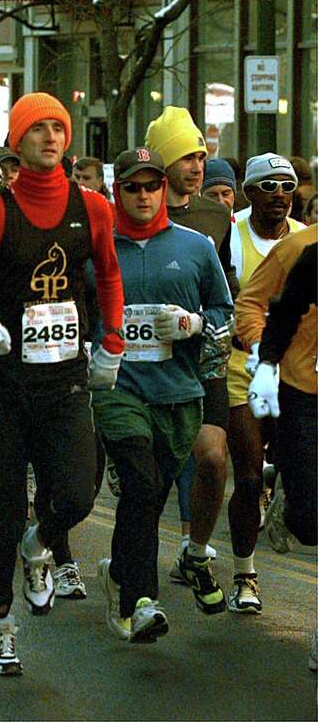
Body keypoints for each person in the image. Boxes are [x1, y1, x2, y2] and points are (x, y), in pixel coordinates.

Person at [0, 92, 125, 675]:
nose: (50, 137)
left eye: (58, 128)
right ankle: (0, 622)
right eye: (38, 129)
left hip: (68, 374)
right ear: (17, 141)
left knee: (77, 492)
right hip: (7, 380)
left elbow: (109, 274)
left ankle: (39, 547)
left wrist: (114, 340)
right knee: (6, 507)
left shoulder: (94, 206)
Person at [92, 147, 232, 643]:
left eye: (152, 186)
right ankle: (141, 601)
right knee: (140, 481)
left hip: (179, 393)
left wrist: (195, 323)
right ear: (118, 192)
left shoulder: (196, 247)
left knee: (145, 499)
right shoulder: (99, 248)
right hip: (118, 390)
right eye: (133, 187)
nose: (144, 195)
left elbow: (225, 312)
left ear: (163, 190)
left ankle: (120, 576)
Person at [144, 106, 235, 612]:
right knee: (152, 473)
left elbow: (224, 285)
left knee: (213, 457)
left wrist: (215, 326)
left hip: (201, 355)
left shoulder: (216, 215)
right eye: (186, 156)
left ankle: (194, 551)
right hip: (149, 361)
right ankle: (133, 559)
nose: (197, 165)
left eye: (201, 155)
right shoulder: (137, 210)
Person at [223, 154, 305, 613]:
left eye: (287, 186)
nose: (278, 194)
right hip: (243, 372)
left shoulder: (304, 241)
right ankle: (245, 574)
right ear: (249, 192)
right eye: (268, 185)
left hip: (297, 373)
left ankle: (288, 491)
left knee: (300, 477)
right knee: (249, 477)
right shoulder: (232, 236)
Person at [235, 226, 317, 670]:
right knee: (309, 522)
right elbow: (260, 306)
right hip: (304, 389)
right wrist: (265, 359)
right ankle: (289, 496)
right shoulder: (302, 251)